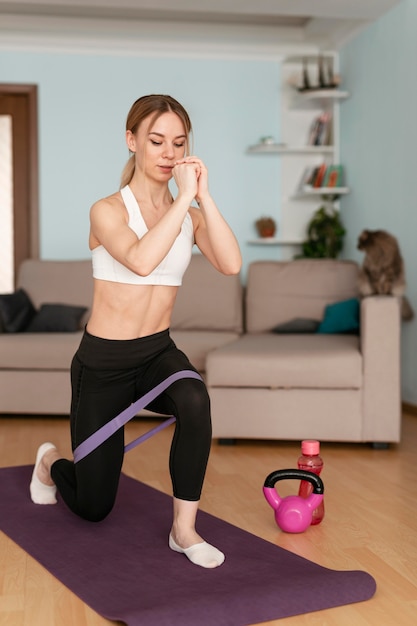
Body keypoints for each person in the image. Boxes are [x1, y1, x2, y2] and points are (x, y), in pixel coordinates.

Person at [29, 94, 242, 569]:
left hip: (156, 354)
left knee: (195, 398)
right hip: (102, 363)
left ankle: (183, 531)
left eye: (179, 143)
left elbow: (230, 264)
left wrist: (202, 196)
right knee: (92, 507)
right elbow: (143, 261)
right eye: (157, 141)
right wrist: (185, 199)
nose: (169, 154)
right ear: (132, 142)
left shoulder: (189, 211)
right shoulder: (107, 210)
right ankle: (49, 462)